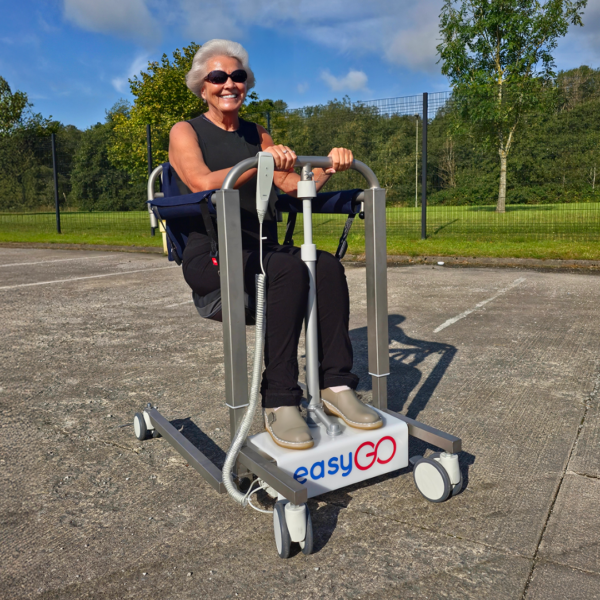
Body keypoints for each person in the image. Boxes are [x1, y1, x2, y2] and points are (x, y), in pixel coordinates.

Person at [169, 39, 381, 450]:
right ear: (202, 86)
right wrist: (259, 163)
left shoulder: (257, 133)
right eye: (218, 77)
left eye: (237, 76)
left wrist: (328, 167)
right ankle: (281, 400)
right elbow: (200, 182)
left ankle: (336, 385)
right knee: (284, 268)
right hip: (212, 251)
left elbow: (293, 185)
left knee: (325, 265)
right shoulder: (186, 131)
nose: (229, 83)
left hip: (261, 247)